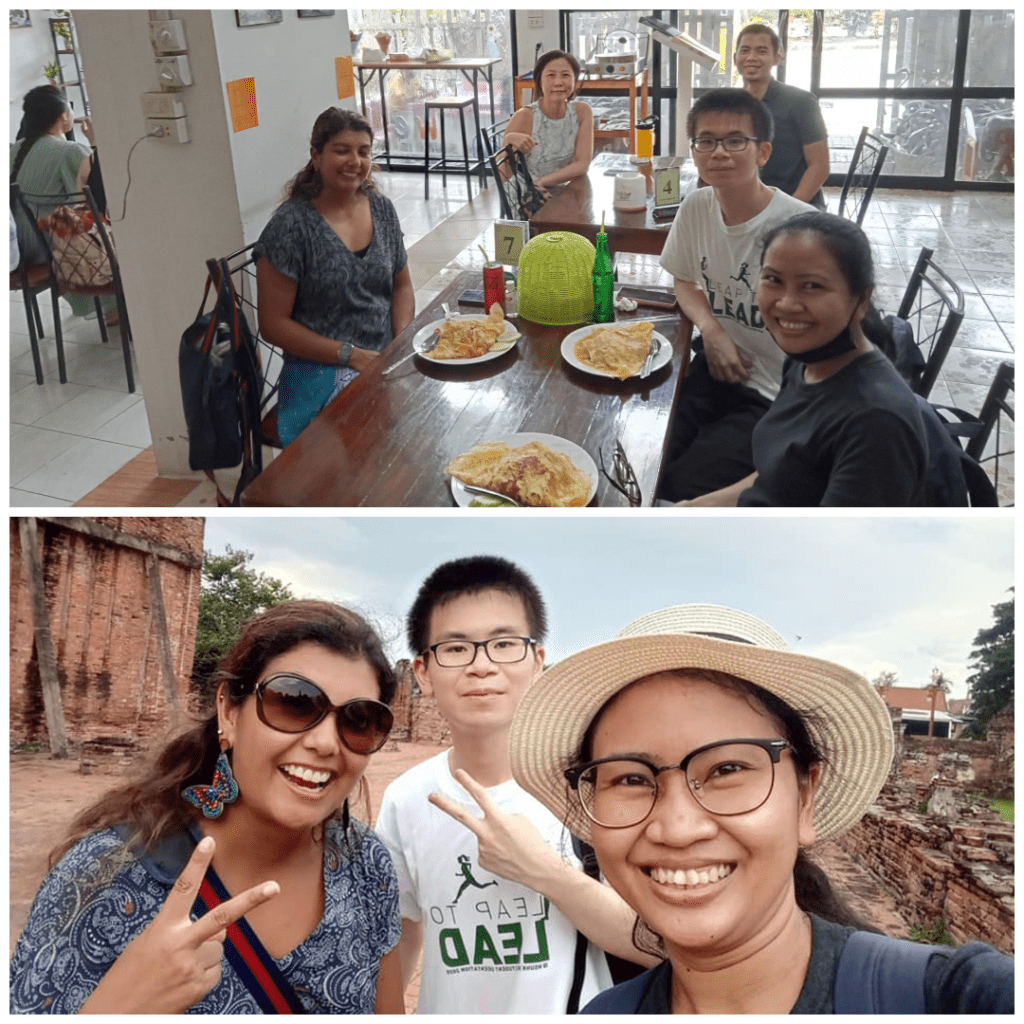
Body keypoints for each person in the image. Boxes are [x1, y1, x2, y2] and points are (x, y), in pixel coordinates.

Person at [508, 603, 1015, 1014]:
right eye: (632, 778)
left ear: (806, 797)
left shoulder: (956, 999)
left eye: (727, 770)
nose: (678, 828)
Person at [10, 600, 404, 1014]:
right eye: (293, 701)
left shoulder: (365, 865)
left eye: (359, 720)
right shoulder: (103, 876)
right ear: (229, 712)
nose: (326, 743)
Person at [375, 556, 653, 1014]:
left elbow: (662, 943)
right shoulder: (406, 799)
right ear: (423, 672)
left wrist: (543, 870)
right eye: (456, 648)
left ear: (537, 660)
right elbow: (405, 932)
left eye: (504, 644)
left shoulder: (591, 789)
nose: (482, 666)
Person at [681, 212, 927, 506]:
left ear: (861, 300)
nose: (786, 303)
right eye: (773, 279)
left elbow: (842, 548)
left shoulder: (876, 424)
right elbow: (777, 474)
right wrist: (696, 506)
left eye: (812, 286)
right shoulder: (805, 361)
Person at [656, 88, 814, 503]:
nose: (719, 152)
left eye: (735, 140)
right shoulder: (696, 207)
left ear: (763, 152)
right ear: (694, 151)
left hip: (775, 400)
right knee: (644, 456)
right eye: (706, 141)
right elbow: (684, 281)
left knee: (682, 486)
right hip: (716, 371)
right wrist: (712, 330)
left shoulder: (801, 230)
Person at [255, 107, 415, 447]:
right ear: (316, 156)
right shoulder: (290, 227)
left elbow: (401, 286)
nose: (355, 161)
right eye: (342, 150)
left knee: (431, 418)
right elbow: (272, 324)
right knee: (367, 444)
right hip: (319, 368)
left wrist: (400, 341)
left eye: (363, 151)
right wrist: (352, 355)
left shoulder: (381, 207)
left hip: (383, 357)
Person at [9, 85, 116, 323]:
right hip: (52, 242)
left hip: (21, 242)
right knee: (112, 226)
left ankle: (103, 304)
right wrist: (96, 143)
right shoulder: (70, 150)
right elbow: (96, 195)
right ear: (63, 115)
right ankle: (112, 306)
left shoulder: (15, 148)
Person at [734, 23, 829, 208]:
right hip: (749, 204)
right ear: (735, 58)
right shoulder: (733, 104)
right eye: (744, 50)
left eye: (762, 51)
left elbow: (820, 166)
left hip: (796, 204)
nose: (751, 57)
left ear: (776, 58)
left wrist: (789, 209)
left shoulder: (801, 102)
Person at [503, 49, 594, 189]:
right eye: (551, 75)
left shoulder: (582, 112)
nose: (558, 82)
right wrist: (507, 142)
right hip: (529, 199)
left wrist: (542, 181)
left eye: (565, 75)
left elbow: (582, 164)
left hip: (563, 191)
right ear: (539, 81)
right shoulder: (524, 117)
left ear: (574, 80)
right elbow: (503, 176)